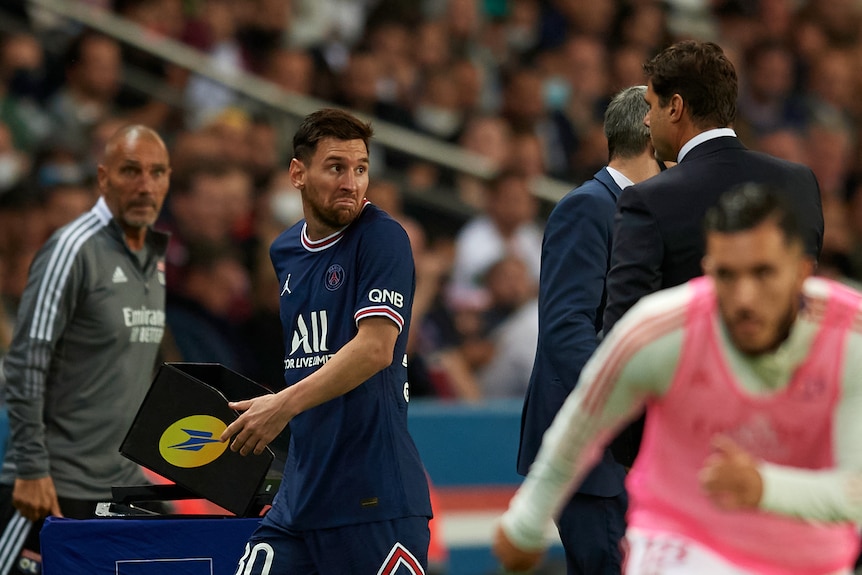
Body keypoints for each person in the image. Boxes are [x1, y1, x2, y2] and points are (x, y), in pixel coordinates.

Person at [494, 183, 862, 574]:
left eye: (763, 272)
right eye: (727, 275)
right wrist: (526, 522)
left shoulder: (851, 338)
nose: (744, 298)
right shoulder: (659, 330)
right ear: (707, 271)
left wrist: (762, 487)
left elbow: (855, 491)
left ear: (803, 270)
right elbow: (582, 426)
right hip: (680, 541)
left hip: (808, 556)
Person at [220, 108, 432, 574]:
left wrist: (281, 405)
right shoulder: (285, 251)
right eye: (336, 167)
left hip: (374, 496)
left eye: (360, 169)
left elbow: (377, 348)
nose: (351, 182)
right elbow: (307, 357)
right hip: (302, 495)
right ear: (298, 173)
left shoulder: (383, 238)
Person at [602, 40, 824, 467]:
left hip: (686, 444)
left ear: (676, 107)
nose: (646, 120)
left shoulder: (648, 200)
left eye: (650, 105)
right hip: (788, 433)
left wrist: (632, 452)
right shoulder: (800, 183)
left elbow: (626, 332)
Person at [0, 125, 171, 574]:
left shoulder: (153, 257)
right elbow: (24, 362)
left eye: (156, 173)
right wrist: (32, 469)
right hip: (52, 484)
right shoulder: (71, 249)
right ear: (103, 178)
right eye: (130, 171)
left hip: (117, 482)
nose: (144, 185)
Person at [517, 85, 664, 574]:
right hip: (594, 451)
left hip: (625, 450)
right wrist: (630, 399)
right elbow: (566, 330)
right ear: (651, 130)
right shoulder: (587, 207)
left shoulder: (643, 212)